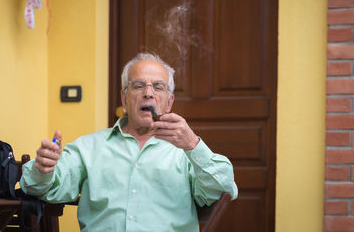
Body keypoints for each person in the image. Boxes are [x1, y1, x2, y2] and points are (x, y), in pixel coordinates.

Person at [20, 53, 238, 232]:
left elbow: (224, 189)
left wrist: (192, 144)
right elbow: (38, 186)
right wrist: (44, 168)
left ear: (169, 102)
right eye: (138, 85)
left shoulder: (186, 152)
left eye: (158, 87)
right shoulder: (90, 147)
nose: (148, 93)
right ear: (125, 99)